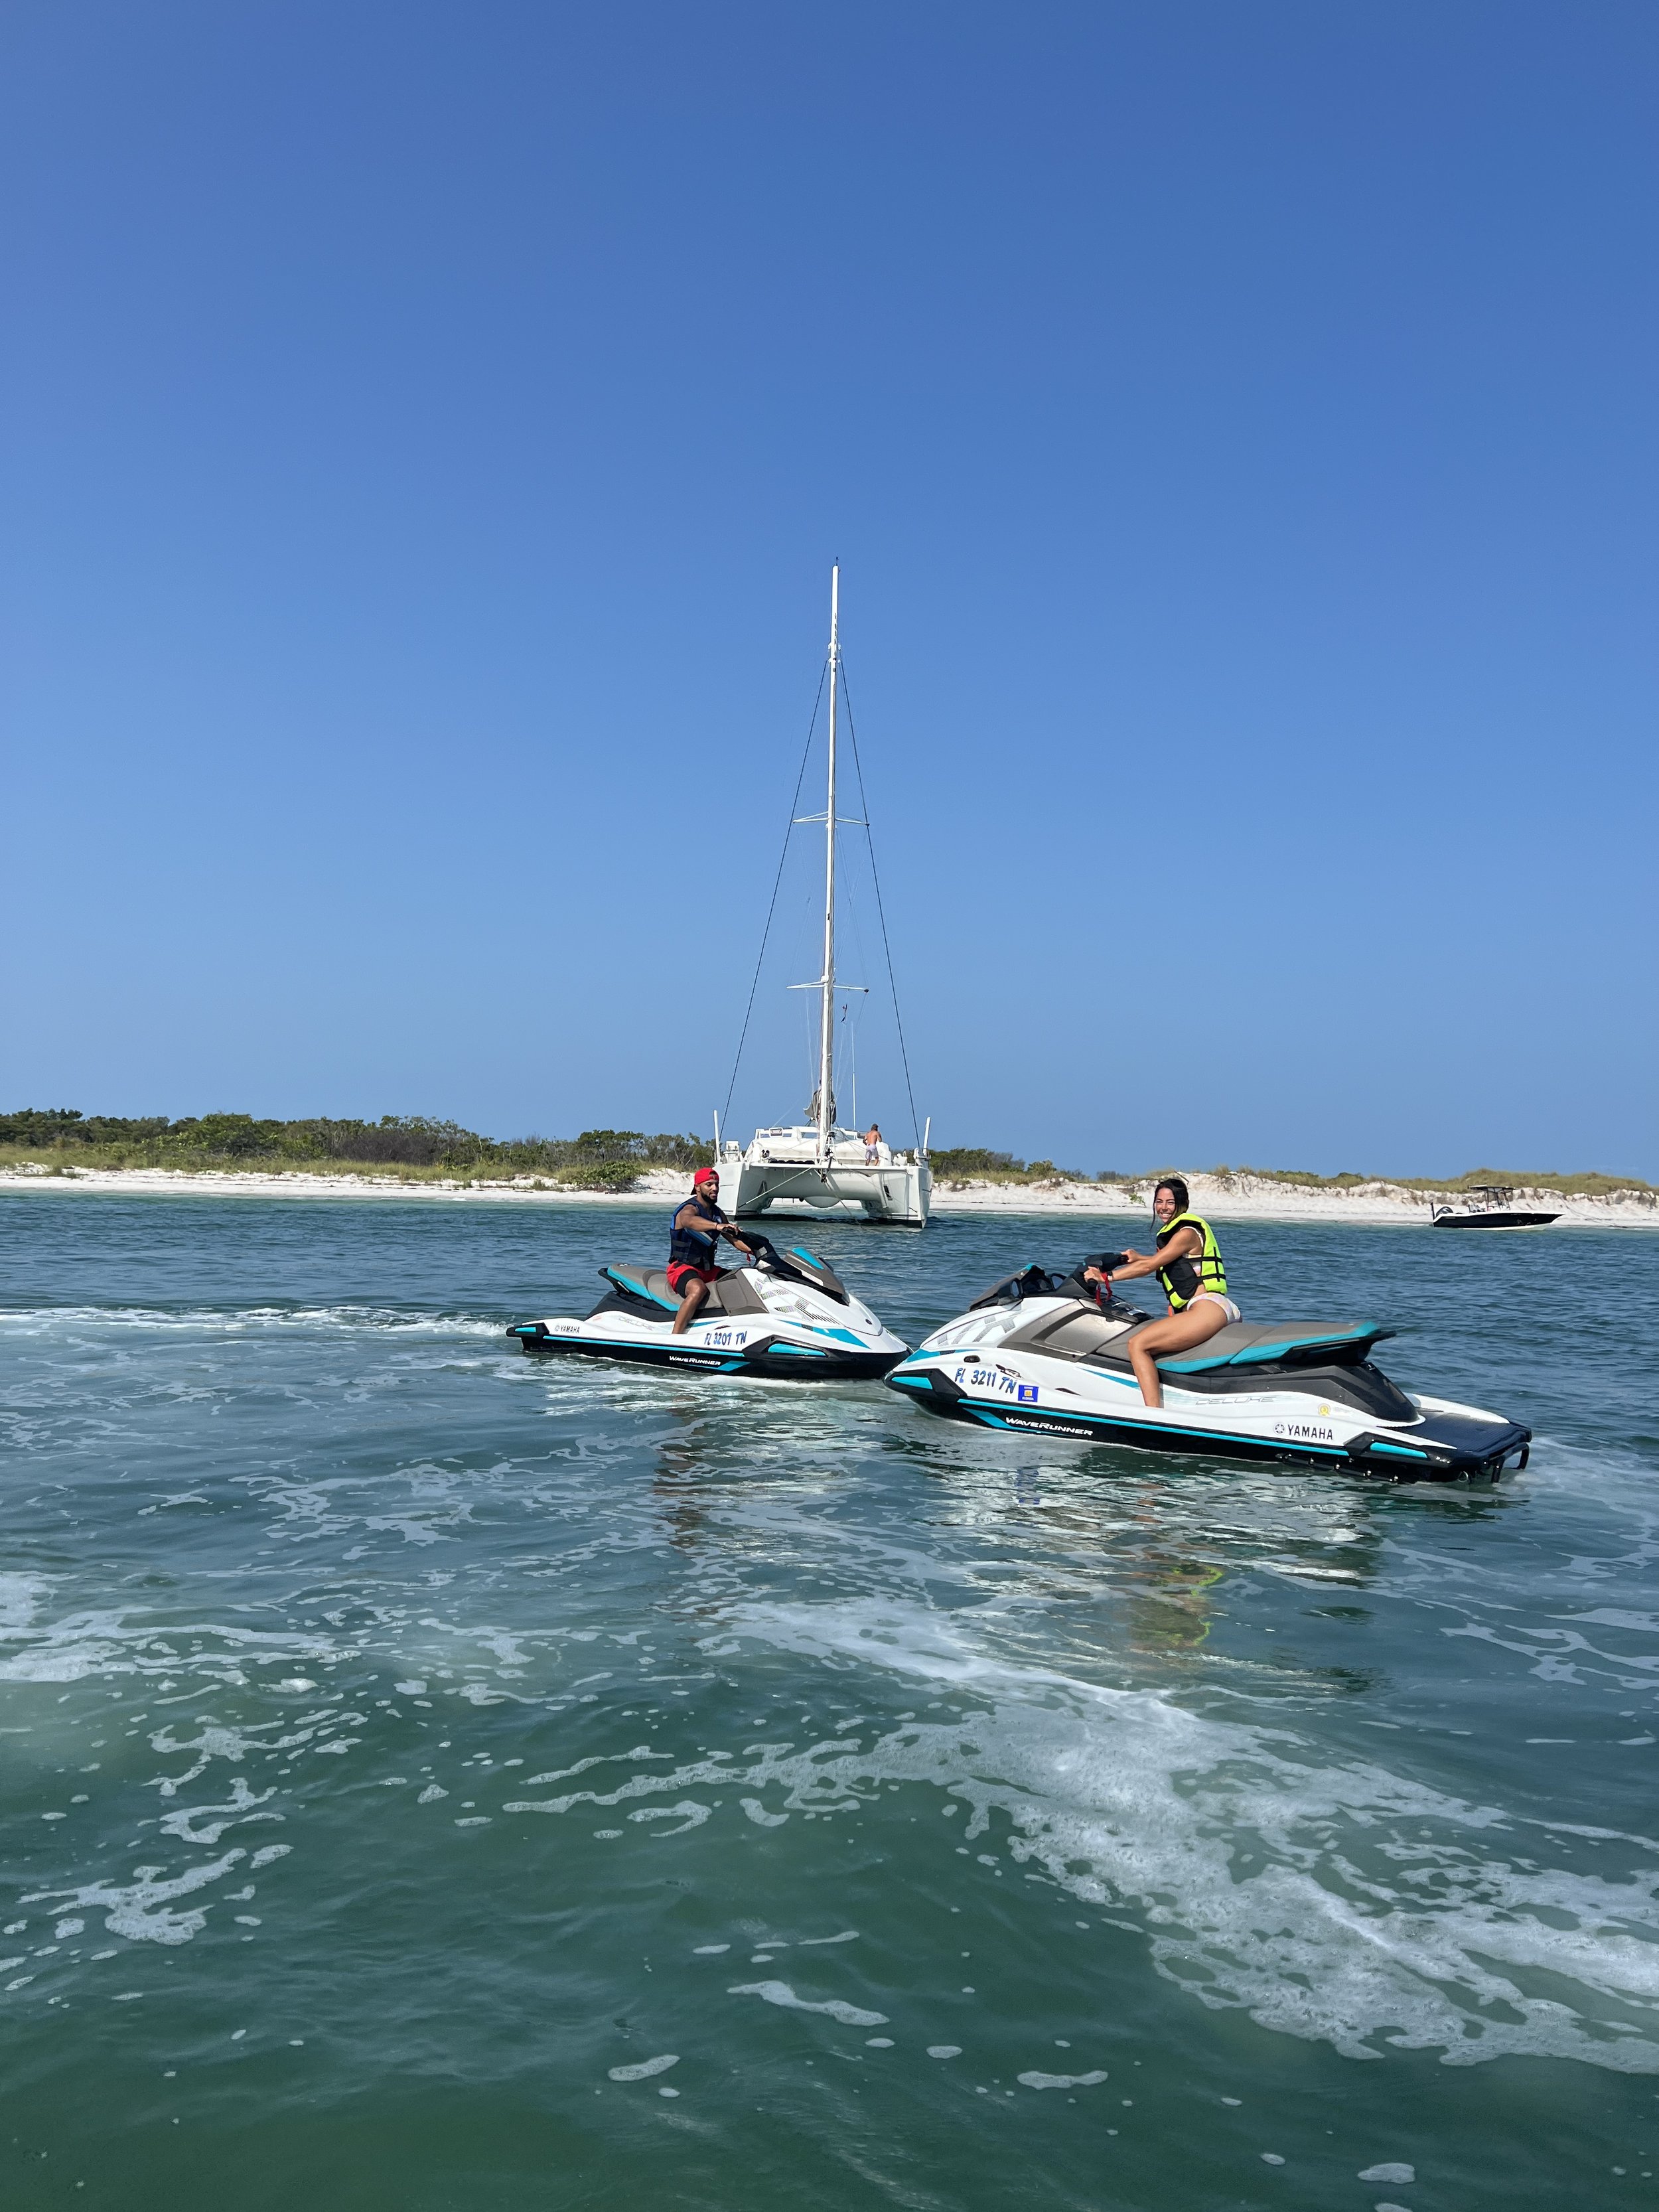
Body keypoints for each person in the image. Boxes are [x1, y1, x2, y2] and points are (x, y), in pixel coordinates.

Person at [1082, 1177, 1239, 1408]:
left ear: (1182, 1204)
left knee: (1138, 1345)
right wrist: (1137, 1258)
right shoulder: (1180, 1236)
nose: (1163, 1207)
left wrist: (1106, 1278)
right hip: (1208, 1308)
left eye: (1170, 1202)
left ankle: (1153, 1414)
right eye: (1159, 1201)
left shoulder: (1187, 1233)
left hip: (1207, 1307)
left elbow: (1151, 1267)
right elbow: (1166, 1262)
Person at [668, 1167, 755, 1334]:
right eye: (709, 1184)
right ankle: (675, 1336)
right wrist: (717, 1226)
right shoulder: (689, 1210)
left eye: (717, 1184)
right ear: (698, 1187)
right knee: (698, 1290)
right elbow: (688, 1222)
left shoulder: (717, 1213)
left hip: (708, 1270)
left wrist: (756, 1251)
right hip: (681, 1268)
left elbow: (735, 1241)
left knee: (745, 1280)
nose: (714, 1188)